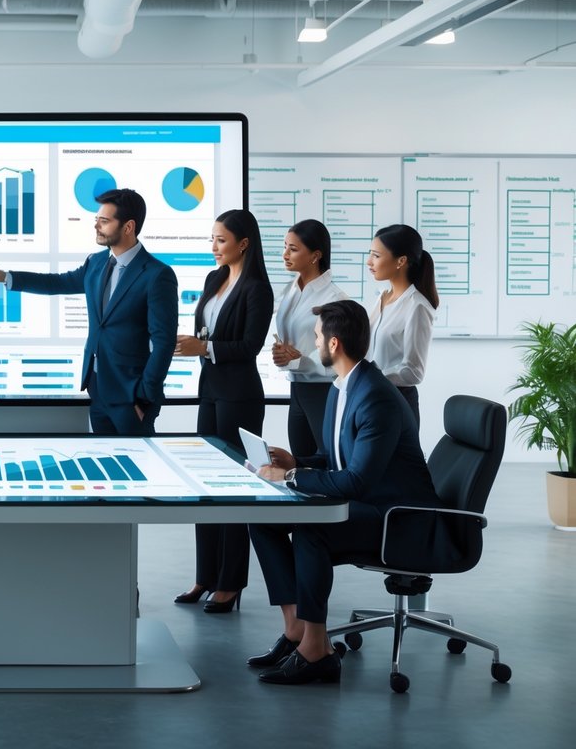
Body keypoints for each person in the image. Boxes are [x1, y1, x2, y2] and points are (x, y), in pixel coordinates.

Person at [247, 299, 441, 685]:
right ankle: (296, 631)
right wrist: (295, 460)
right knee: (264, 518)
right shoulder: (343, 386)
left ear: (334, 344)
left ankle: (317, 652)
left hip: (397, 518)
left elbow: (356, 482)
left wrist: (291, 478)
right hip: (372, 504)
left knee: (311, 528)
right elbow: (333, 457)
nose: (314, 342)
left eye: (317, 336)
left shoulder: (376, 398)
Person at [0, 188, 178, 436]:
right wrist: (5, 277)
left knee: (141, 469)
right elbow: (57, 283)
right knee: (106, 467)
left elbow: (164, 343)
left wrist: (144, 397)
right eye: (96, 220)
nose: (96, 227)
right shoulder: (96, 262)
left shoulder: (157, 275)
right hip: (98, 388)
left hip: (131, 397)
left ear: (128, 227)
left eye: (104, 221)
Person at [173, 209, 273, 613]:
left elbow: (250, 347)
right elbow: (206, 331)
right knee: (206, 484)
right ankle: (205, 576)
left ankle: (230, 583)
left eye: (220, 240)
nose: (213, 248)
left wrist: (207, 348)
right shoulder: (215, 279)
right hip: (210, 391)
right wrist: (200, 345)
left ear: (243, 243)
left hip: (240, 396)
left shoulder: (257, 289)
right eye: (211, 239)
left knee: (233, 487)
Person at [272, 219, 348, 458]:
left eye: (293, 249)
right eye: (285, 246)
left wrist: (299, 360)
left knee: (327, 460)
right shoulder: (290, 290)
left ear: (315, 255)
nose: (285, 254)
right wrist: (283, 355)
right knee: (301, 461)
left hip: (322, 391)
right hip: (296, 388)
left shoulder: (335, 297)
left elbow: (339, 355)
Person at [365, 223, 439, 426]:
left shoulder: (417, 306)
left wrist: (369, 378)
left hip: (397, 403)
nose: (369, 261)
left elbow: (414, 371)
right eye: (370, 254)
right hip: (372, 398)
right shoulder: (382, 298)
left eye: (376, 256)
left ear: (401, 261)